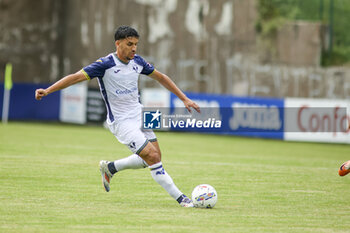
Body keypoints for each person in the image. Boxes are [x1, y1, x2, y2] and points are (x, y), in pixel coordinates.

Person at [35, 25, 200, 207]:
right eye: (130, 44)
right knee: (152, 157)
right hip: (121, 121)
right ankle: (182, 199)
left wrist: (184, 99)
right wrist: (48, 90)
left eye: (136, 44)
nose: (134, 48)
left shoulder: (138, 62)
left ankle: (111, 167)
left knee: (155, 157)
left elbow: (161, 77)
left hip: (140, 114)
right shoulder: (105, 64)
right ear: (118, 43)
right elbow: (74, 77)